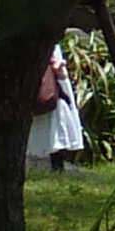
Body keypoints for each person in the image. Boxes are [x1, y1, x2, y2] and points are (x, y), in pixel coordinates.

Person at [29, 43, 89, 171]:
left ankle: (56, 165)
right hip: (51, 85)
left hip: (47, 85)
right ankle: (56, 166)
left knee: (53, 125)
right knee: (55, 124)